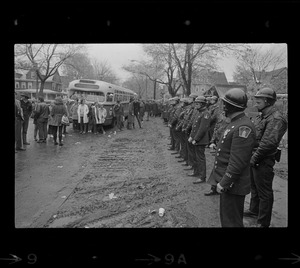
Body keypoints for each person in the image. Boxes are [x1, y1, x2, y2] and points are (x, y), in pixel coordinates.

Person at [209, 88, 256, 227]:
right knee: (228, 220)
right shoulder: (236, 122)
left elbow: (237, 163)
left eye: (224, 104)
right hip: (231, 184)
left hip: (233, 185)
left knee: (232, 222)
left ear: (230, 106)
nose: (222, 107)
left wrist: (224, 182)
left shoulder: (243, 127)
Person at [244, 87, 288, 228]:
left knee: (264, 192)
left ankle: (263, 222)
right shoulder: (262, 116)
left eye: (258, 101)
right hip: (255, 157)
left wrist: (254, 158)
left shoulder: (276, 118)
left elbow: (268, 143)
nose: (255, 104)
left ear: (267, 101)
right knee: (254, 187)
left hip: (263, 160)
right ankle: (254, 210)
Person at [205, 111, 231, 196]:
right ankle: (214, 188)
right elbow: (215, 130)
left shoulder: (232, 120)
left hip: (226, 147)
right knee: (216, 167)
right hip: (218, 145)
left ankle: (222, 189)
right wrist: (212, 141)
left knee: (224, 169)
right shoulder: (221, 117)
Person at [186, 96, 211, 184]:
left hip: (201, 140)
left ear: (202, 104)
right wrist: (191, 137)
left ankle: (202, 176)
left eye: (197, 103)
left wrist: (196, 139)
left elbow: (202, 129)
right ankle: (196, 172)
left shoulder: (206, 113)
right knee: (196, 157)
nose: (195, 105)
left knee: (200, 158)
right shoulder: (199, 112)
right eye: (195, 103)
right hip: (196, 139)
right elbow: (194, 127)